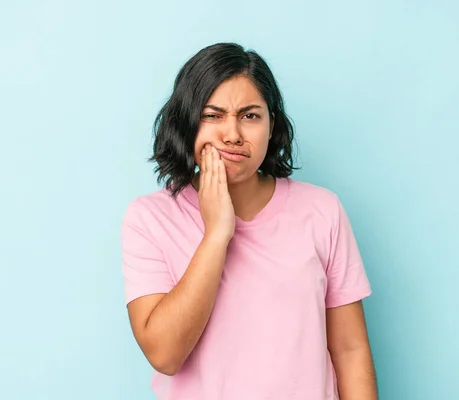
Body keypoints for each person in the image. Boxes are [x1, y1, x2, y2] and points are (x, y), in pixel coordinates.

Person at [121, 42, 378, 400]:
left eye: (250, 115)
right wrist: (216, 235)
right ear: (187, 123)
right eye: (213, 115)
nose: (233, 135)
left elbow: (351, 351)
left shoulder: (322, 211)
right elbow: (164, 354)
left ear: (272, 126)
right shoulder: (149, 219)